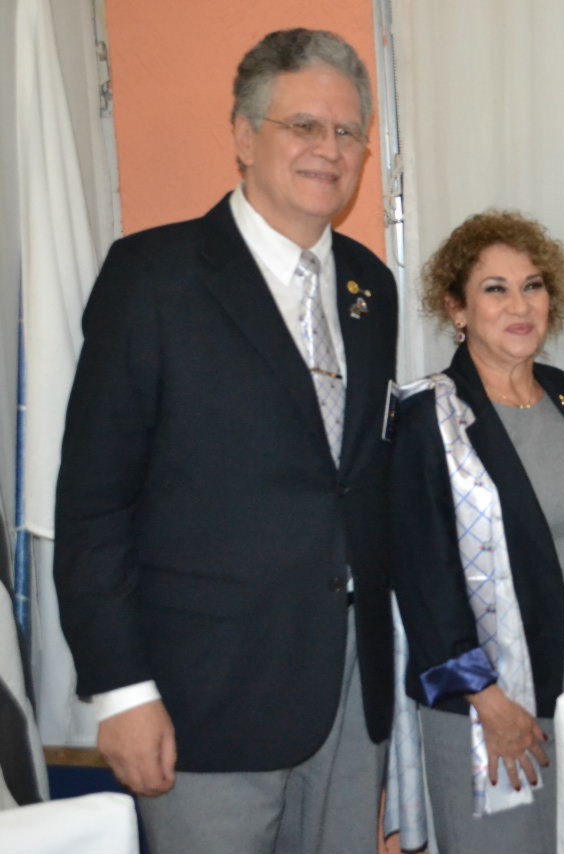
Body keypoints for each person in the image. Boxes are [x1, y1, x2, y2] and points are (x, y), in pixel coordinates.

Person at [53, 29, 397, 853]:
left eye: (347, 131)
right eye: (303, 126)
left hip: (352, 689)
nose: (329, 149)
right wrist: (122, 691)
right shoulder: (152, 277)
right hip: (202, 702)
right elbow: (94, 505)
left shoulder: (370, 287)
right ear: (244, 136)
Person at [390, 211, 564, 854]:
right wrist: (487, 700)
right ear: (456, 308)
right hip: (491, 711)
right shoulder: (428, 418)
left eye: (533, 286)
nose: (520, 306)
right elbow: (422, 579)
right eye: (495, 289)